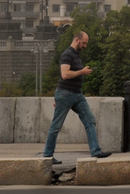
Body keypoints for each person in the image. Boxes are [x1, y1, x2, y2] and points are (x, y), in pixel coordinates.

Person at [42, 31, 112, 160]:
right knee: (56, 126)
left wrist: (82, 71)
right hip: (65, 94)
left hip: (77, 95)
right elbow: (65, 74)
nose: (85, 46)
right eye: (84, 43)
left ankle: (95, 151)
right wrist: (82, 72)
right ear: (77, 40)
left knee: (90, 120)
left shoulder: (76, 55)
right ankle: (47, 155)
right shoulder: (67, 54)